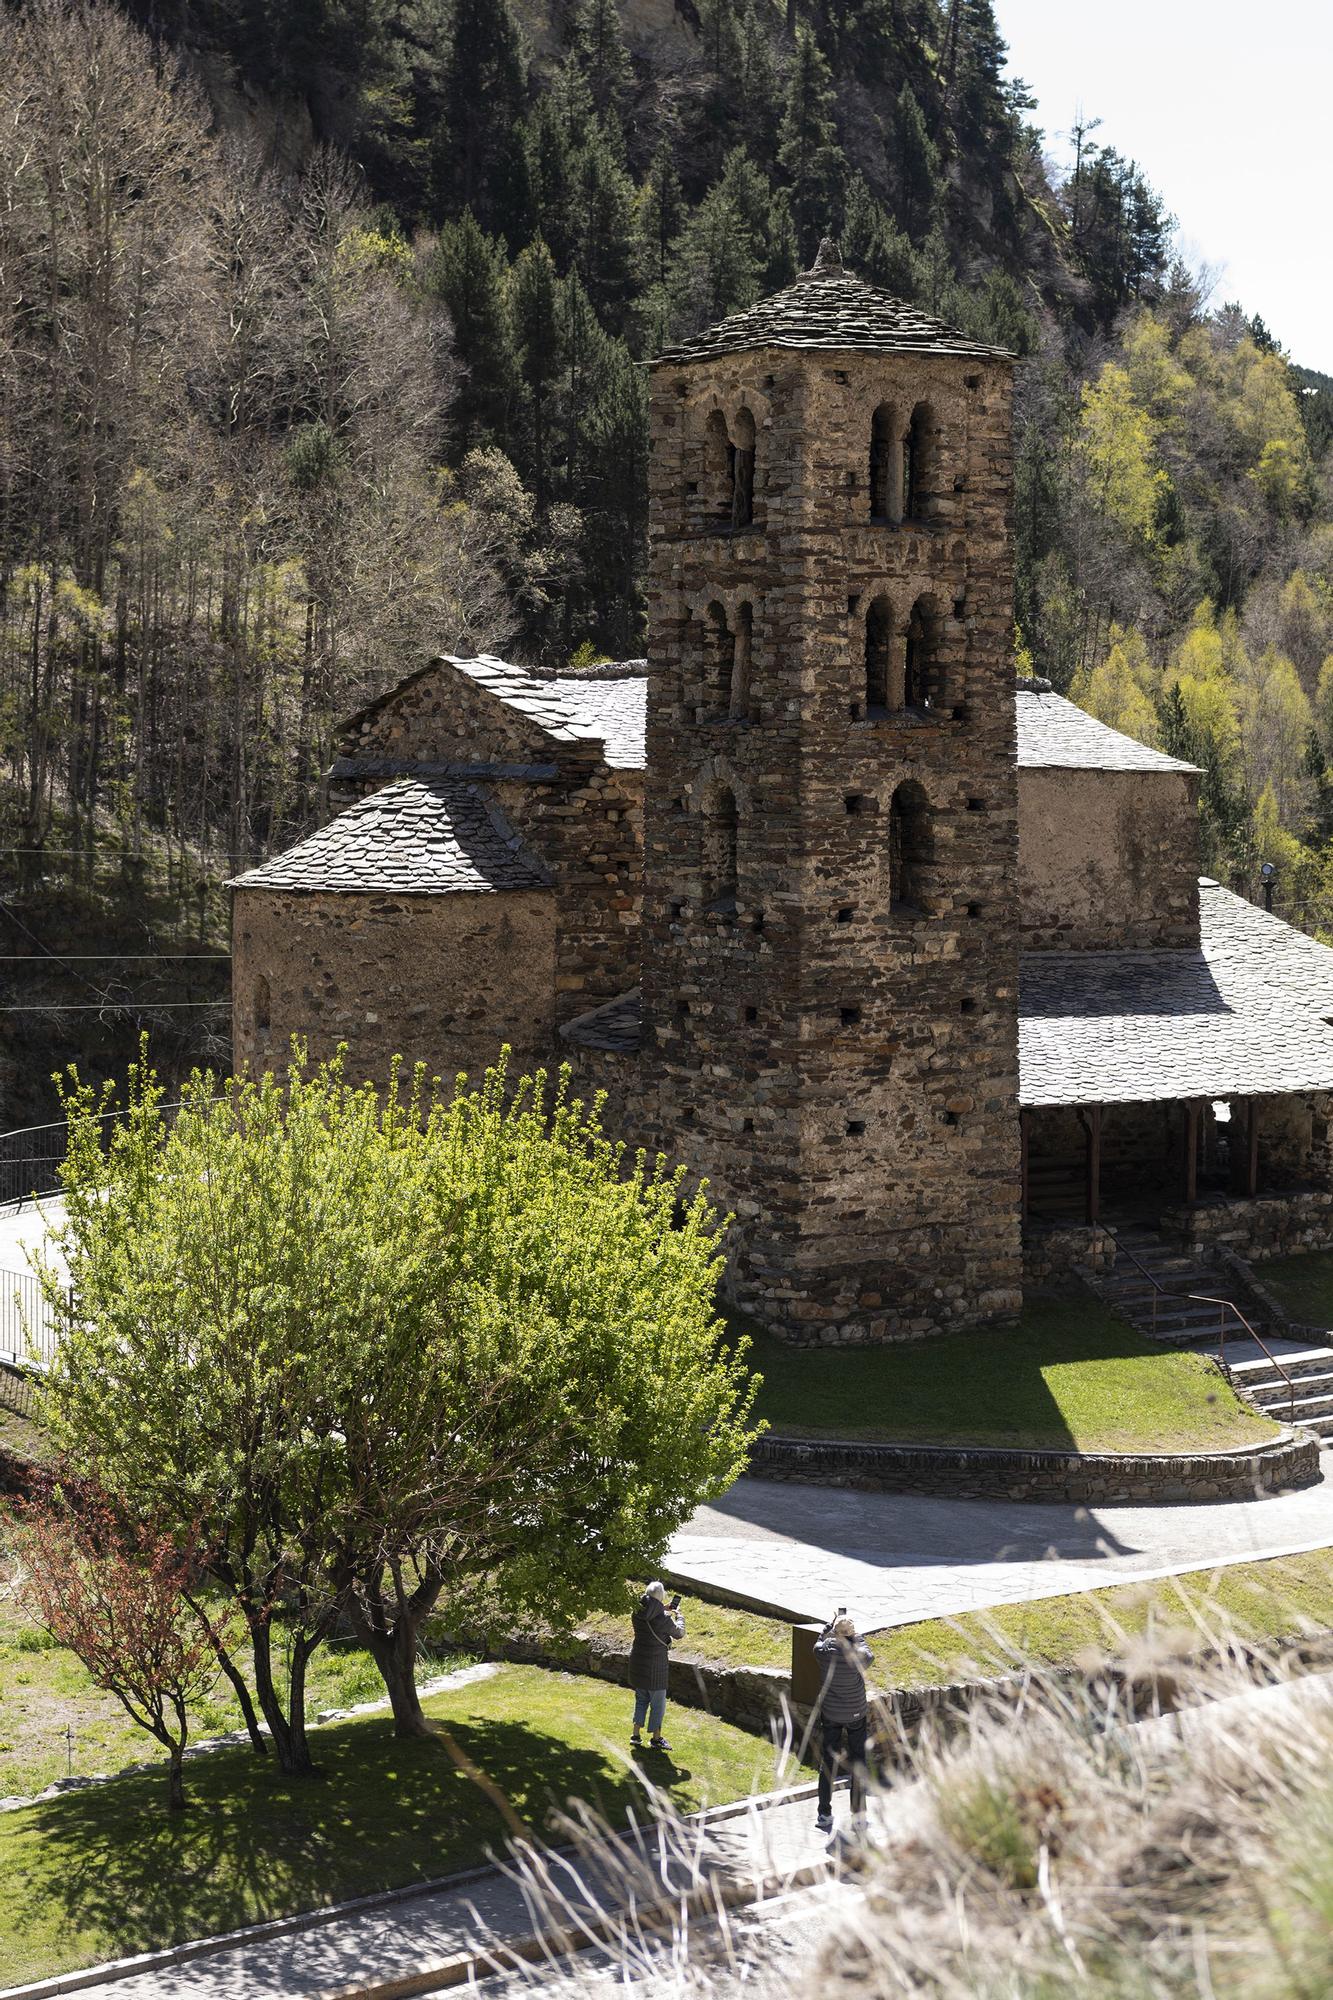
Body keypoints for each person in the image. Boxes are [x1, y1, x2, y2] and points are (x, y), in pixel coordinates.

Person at [813, 1611, 873, 1834]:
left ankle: (824, 1813)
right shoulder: (859, 1654)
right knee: (859, 1761)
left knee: (828, 1762)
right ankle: (858, 1816)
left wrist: (829, 1626)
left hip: (831, 1714)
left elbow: (818, 1641)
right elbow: (869, 1653)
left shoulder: (823, 1652)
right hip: (856, 1712)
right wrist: (856, 1636)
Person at [629, 1580, 684, 1751]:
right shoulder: (664, 1619)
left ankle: (635, 1736)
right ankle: (656, 1739)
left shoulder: (637, 1612)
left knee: (641, 1700)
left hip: (638, 1663)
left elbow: (651, 1613)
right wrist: (680, 1617)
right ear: (660, 1597)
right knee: (657, 1705)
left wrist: (662, 1608)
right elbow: (679, 1633)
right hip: (656, 1667)